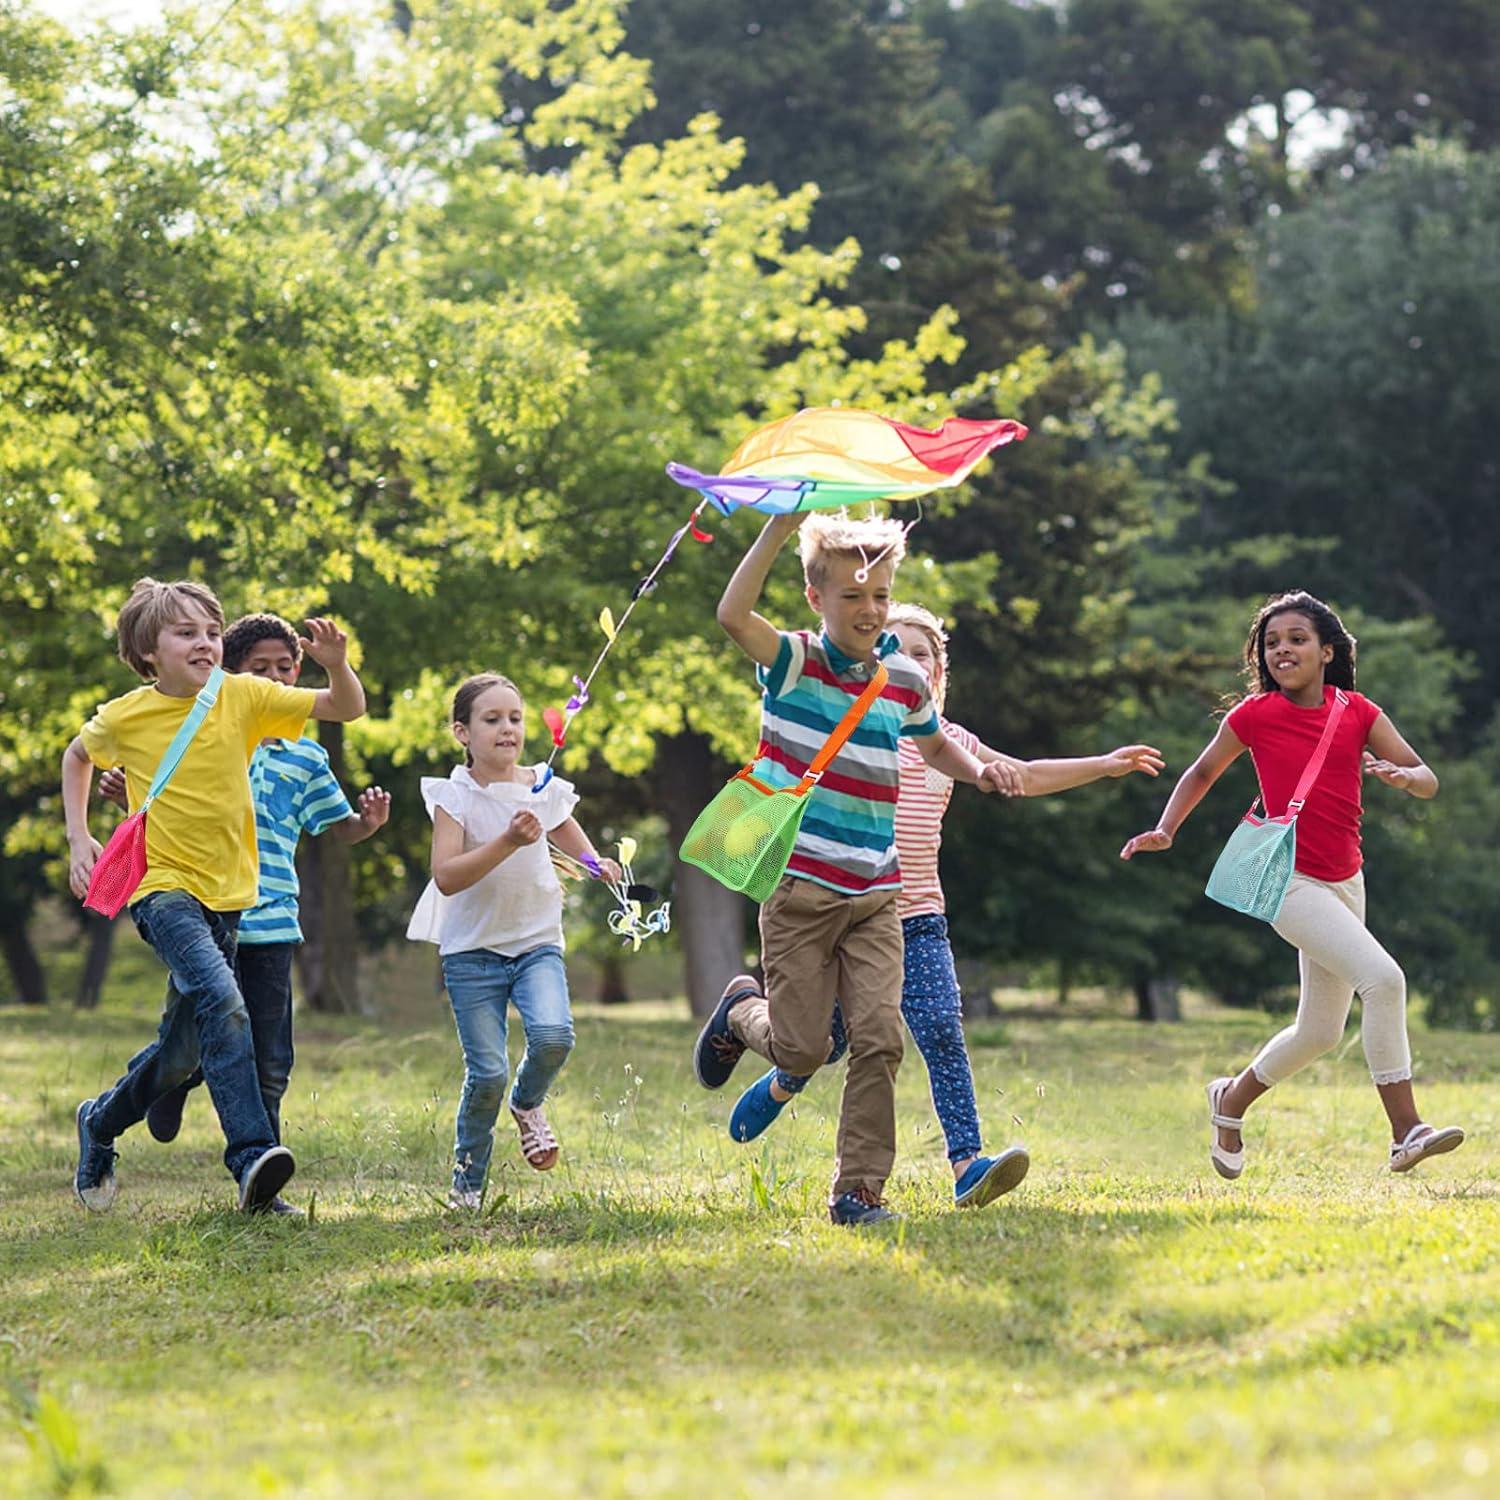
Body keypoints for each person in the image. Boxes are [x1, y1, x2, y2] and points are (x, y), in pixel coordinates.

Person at [732, 602, 1165, 1208]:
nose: (908, 661)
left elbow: (1023, 774)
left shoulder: (948, 742)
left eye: (922, 653)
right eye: (893, 648)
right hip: (834, 909)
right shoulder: (851, 726)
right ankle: (755, 1033)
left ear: (937, 673)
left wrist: (1103, 765)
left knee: (937, 1030)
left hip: (915, 918)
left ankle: (966, 1163)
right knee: (819, 1044)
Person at [692, 511, 1012, 1226]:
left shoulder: (902, 677)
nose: (870, 611)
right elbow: (732, 613)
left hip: (877, 893)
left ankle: (857, 1191)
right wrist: (777, 528)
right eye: (852, 596)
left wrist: (983, 772)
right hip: (802, 891)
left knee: (879, 1039)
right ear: (815, 598)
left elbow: (935, 749)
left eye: (881, 596)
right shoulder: (793, 661)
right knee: (804, 1050)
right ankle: (745, 1011)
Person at [1120, 589, 1465, 1177]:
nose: (1282, 650)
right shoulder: (1253, 716)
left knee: (1320, 1030)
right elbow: (1202, 770)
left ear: (1327, 651)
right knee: (1384, 981)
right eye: (1271, 643)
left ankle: (1230, 1101)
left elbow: (1427, 777)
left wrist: (1404, 780)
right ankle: (1406, 1131)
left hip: (1345, 879)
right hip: (1288, 880)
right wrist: (1165, 828)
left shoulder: (1358, 711)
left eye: (1297, 639)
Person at [64, 578, 368, 1212]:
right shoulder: (127, 714)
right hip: (161, 888)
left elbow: (344, 709)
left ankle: (100, 1120)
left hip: (231, 896)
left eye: (209, 631)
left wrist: (337, 667)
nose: (203, 643)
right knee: (227, 1005)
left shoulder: (246, 696)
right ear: (149, 652)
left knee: (182, 1054)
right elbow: (77, 755)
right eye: (186, 633)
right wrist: (79, 838)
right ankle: (253, 1157)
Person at [408, 673, 622, 1210]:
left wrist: (597, 865)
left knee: (554, 1037)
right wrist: (507, 840)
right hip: (471, 954)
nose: (508, 729)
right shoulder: (454, 795)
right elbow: (448, 876)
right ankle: (466, 1184)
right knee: (486, 1074)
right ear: (462, 731)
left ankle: (528, 1104)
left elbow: (565, 828)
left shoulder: (541, 783)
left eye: (516, 718)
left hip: (535, 943)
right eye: (492, 719)